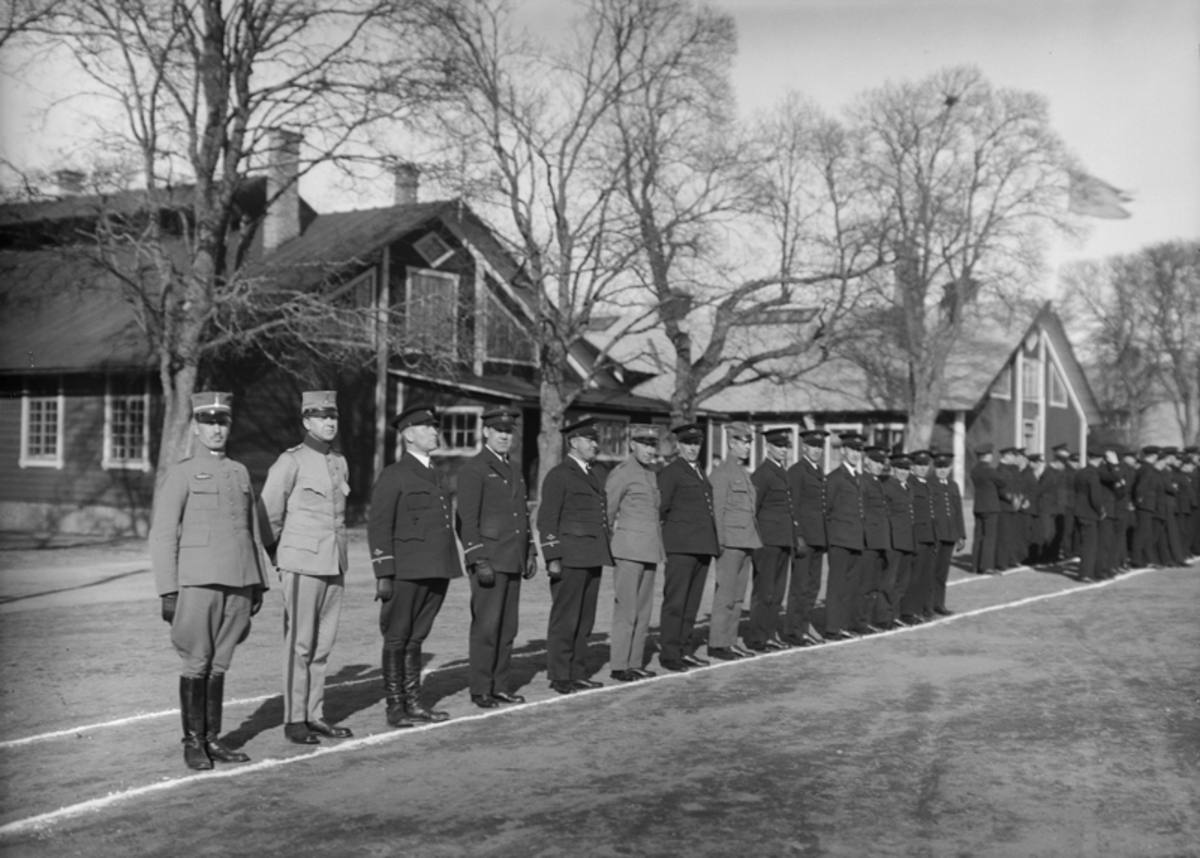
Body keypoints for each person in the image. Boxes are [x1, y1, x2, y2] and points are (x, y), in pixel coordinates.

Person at [150, 391, 267, 770]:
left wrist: (257, 582)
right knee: (196, 662)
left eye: (222, 422)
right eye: (208, 423)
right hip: (197, 582)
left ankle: (213, 739)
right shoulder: (182, 473)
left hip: (237, 581)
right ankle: (192, 742)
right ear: (197, 429)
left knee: (220, 663)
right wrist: (168, 589)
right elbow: (163, 533)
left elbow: (250, 531)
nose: (216, 429)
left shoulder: (239, 472)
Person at [258, 390, 353, 745]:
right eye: (321, 416)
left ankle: (315, 714)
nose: (329, 422)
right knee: (299, 644)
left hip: (334, 563)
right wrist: (279, 557)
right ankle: (294, 718)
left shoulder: (339, 462)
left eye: (333, 416)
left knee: (323, 645)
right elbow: (267, 514)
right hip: (301, 565)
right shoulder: (291, 462)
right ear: (306, 421)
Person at [369, 406, 462, 727]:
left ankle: (414, 702)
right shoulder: (395, 475)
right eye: (427, 428)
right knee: (397, 637)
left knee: (417, 638)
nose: (435, 432)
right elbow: (379, 525)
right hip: (406, 570)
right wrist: (383, 572)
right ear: (408, 434)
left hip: (438, 567)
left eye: (435, 427)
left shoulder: (438, 473)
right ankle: (396, 706)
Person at [456, 408, 537, 709]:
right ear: (485, 432)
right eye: (498, 430)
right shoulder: (474, 469)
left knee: (507, 629)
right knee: (486, 628)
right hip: (489, 560)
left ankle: (500, 685)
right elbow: (466, 520)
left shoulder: (514, 469)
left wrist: (530, 551)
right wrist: (478, 559)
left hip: (512, 559)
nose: (504, 435)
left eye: (509, 431)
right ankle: (481, 689)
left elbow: (523, 517)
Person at [537, 417, 613, 693]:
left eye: (596, 439)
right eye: (590, 439)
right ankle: (559, 674)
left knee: (584, 619)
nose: (595, 444)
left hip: (592, 555)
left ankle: (577, 671)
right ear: (574, 442)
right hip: (569, 557)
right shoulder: (559, 475)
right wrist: (552, 556)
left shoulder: (592, 473)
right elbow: (547, 519)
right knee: (565, 618)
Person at [657, 423, 719, 671]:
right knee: (675, 603)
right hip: (681, 547)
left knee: (691, 603)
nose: (693, 448)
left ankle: (684, 649)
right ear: (679, 445)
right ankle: (670, 654)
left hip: (702, 545)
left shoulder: (699, 471)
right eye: (688, 444)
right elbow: (661, 508)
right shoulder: (672, 472)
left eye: (696, 444)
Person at [605, 424, 665, 682]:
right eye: (644, 444)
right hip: (628, 550)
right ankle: (619, 665)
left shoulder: (651, 474)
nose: (650, 450)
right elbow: (607, 512)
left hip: (651, 549)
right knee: (626, 610)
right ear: (632, 445)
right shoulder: (622, 473)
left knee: (643, 612)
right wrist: (611, 545)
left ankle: (634, 661)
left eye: (653, 445)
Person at [708, 423, 762, 660]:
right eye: (743, 442)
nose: (747, 446)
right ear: (731, 443)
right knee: (726, 596)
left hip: (746, 541)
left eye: (749, 442)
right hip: (729, 543)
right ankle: (718, 643)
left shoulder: (743, 472)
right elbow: (717, 510)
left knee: (739, 597)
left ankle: (729, 640)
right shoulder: (722, 473)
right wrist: (719, 542)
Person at [747, 427, 798, 651]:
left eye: (785, 446)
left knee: (777, 593)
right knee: (764, 592)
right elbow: (753, 511)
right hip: (766, 543)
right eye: (778, 446)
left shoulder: (782, 472)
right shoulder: (762, 474)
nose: (783, 450)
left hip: (783, 540)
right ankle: (758, 638)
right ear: (768, 447)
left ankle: (769, 634)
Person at [784, 429, 829, 646]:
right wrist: (798, 535)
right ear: (804, 447)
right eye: (813, 446)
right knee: (800, 586)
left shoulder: (818, 470)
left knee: (813, 586)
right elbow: (793, 506)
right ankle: (793, 631)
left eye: (820, 447)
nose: (817, 450)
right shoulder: (797, 471)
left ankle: (804, 625)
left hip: (818, 537)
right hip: (804, 538)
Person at [824, 431, 866, 640]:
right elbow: (827, 510)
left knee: (851, 585)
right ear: (843, 451)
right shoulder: (834, 478)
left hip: (856, 539)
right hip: (840, 539)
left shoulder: (860, 478)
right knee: (837, 584)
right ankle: (832, 627)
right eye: (852, 449)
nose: (855, 454)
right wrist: (832, 537)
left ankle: (844, 624)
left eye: (858, 450)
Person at [881, 453, 916, 627]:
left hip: (907, 541)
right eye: (900, 468)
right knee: (889, 582)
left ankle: (894, 615)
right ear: (893, 469)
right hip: (894, 541)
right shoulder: (888, 487)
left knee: (902, 582)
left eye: (906, 469)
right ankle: (884, 617)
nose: (903, 472)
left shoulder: (908, 487)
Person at [859, 446, 891, 632]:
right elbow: (862, 512)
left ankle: (867, 619)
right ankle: (860, 621)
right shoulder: (863, 481)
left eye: (881, 462)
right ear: (867, 461)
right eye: (875, 461)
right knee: (865, 585)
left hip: (879, 540)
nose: (879, 465)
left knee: (874, 584)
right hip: (869, 542)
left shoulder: (877, 482)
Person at [929, 452, 965, 616]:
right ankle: (928, 605)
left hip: (950, 534)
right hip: (936, 534)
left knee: (942, 573)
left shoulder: (953, 485)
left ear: (950, 468)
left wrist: (961, 534)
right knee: (931, 571)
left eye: (945, 467)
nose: (942, 471)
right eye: (939, 467)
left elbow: (957, 511)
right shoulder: (929, 483)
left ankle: (939, 604)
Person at [970, 443, 1005, 574]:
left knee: (978, 535)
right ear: (987, 455)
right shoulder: (989, 470)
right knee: (990, 536)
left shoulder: (975, 470)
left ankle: (975, 564)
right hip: (990, 506)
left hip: (978, 505)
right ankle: (987, 566)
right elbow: (1003, 481)